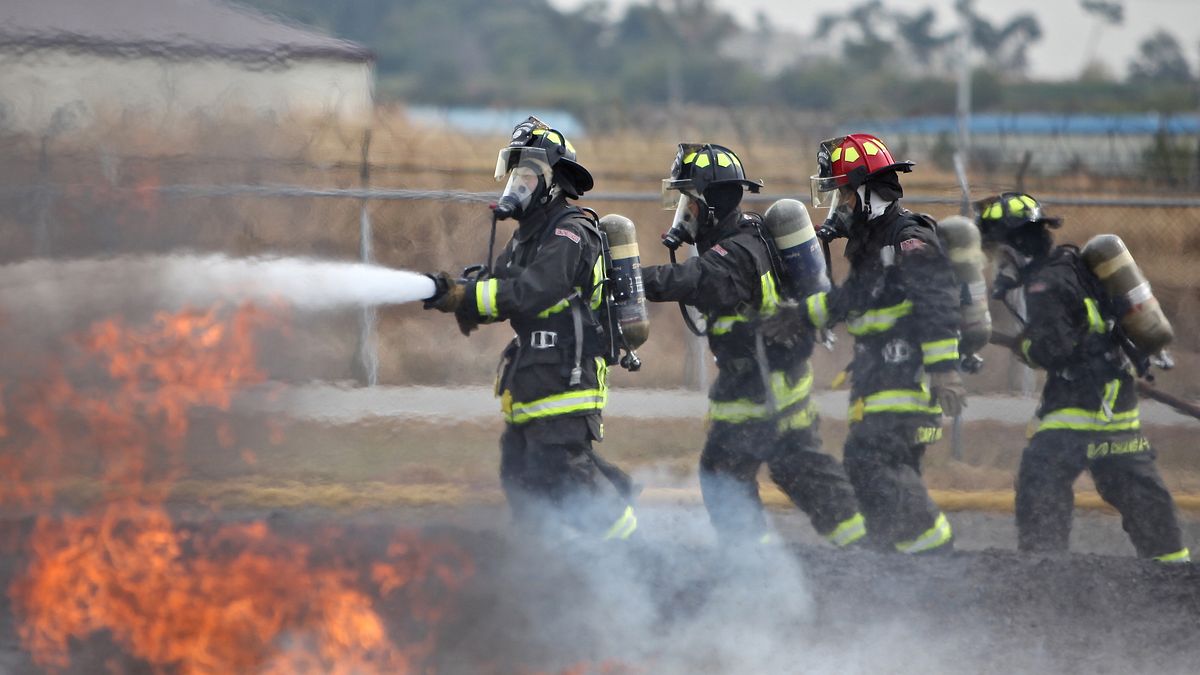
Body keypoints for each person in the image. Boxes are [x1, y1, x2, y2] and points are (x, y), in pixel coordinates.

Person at [641, 142, 865, 547]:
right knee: (788, 472)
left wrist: (623, 277)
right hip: (762, 382)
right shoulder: (747, 233)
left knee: (738, 475)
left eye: (689, 202)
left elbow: (688, 279)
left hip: (764, 391)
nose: (684, 213)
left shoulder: (733, 254)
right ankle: (853, 546)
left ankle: (764, 559)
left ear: (712, 204)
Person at [424, 116, 637, 541]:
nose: (517, 186)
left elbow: (533, 291)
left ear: (553, 183)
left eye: (527, 177)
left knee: (564, 473)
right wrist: (457, 295)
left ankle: (631, 553)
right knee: (521, 476)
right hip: (534, 379)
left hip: (568, 376)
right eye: (516, 176)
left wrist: (469, 296)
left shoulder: (570, 232)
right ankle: (545, 564)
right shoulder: (526, 237)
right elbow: (501, 291)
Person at [976, 192, 1190, 562]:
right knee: (1133, 486)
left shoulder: (1044, 285)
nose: (996, 262)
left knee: (1041, 478)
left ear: (1011, 249)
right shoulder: (1072, 265)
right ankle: (1174, 570)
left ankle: (1043, 566)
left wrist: (1027, 349)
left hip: (1080, 402)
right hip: (1113, 397)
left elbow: (1054, 348)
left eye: (995, 252)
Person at [802, 133, 962, 554]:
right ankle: (892, 568)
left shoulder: (907, 237)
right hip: (877, 381)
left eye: (843, 195)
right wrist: (797, 316)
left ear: (867, 192)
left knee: (867, 460)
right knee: (879, 477)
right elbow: (854, 298)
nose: (838, 207)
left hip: (907, 381)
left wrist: (944, 369)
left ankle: (937, 549)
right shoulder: (873, 242)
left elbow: (938, 301)